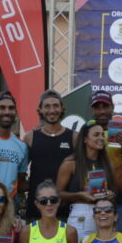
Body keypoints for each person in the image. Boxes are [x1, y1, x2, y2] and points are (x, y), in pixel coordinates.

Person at [56, 121, 116, 241]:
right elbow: (58, 194)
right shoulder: (71, 163)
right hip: (81, 214)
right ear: (85, 139)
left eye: (102, 135)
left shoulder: (107, 163)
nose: (101, 138)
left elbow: (114, 191)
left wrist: (110, 194)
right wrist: (80, 195)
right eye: (96, 135)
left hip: (105, 214)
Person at [88, 89, 122, 232]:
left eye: (105, 106)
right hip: (92, 200)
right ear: (93, 110)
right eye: (97, 107)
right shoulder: (85, 132)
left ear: (112, 108)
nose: (101, 111)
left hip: (120, 201)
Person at [24, 90, 75, 221]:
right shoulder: (30, 137)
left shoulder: (74, 137)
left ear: (62, 108)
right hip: (36, 210)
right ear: (40, 109)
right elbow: (20, 172)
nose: (52, 110)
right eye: (47, 106)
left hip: (65, 211)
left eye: (55, 105)